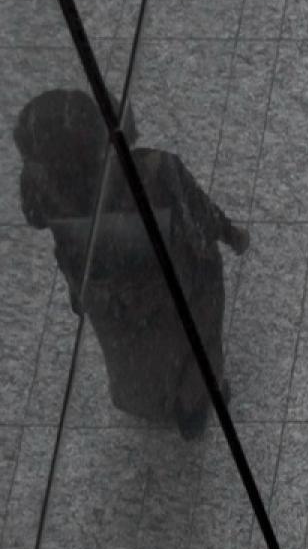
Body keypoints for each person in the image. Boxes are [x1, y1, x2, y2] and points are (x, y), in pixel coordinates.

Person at [15, 89, 249, 439]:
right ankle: (195, 400)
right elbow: (199, 212)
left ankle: (154, 400)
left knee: (135, 352)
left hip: (107, 298)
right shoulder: (153, 169)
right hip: (169, 285)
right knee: (197, 327)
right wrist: (231, 235)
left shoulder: (47, 188)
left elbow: (35, 219)